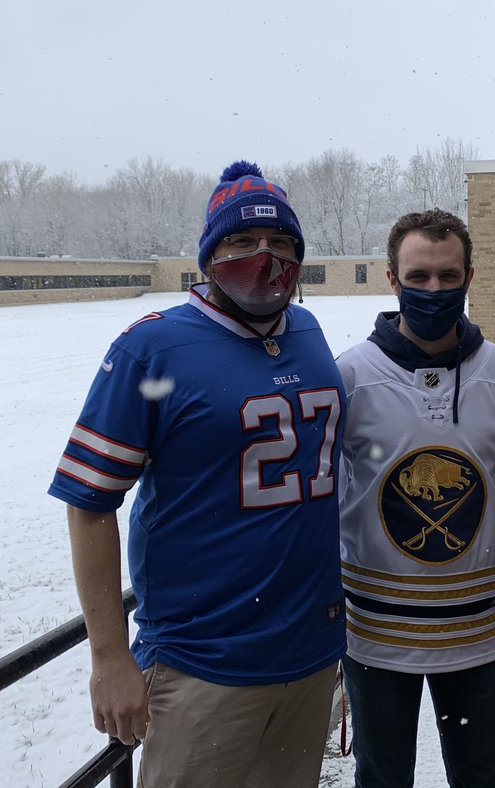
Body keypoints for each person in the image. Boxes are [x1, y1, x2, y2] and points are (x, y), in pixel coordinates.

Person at [48, 161, 346, 788]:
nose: (264, 257)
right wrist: (108, 656)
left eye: (281, 243)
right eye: (242, 241)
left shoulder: (309, 332)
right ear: (209, 255)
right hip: (202, 663)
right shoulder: (151, 347)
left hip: (309, 654)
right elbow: (89, 501)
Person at [337, 209, 495, 788]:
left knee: (477, 776)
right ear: (392, 280)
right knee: (382, 776)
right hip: (375, 633)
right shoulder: (348, 375)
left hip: (475, 631)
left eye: (448, 276)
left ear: (470, 275)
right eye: (418, 277)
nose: (434, 290)